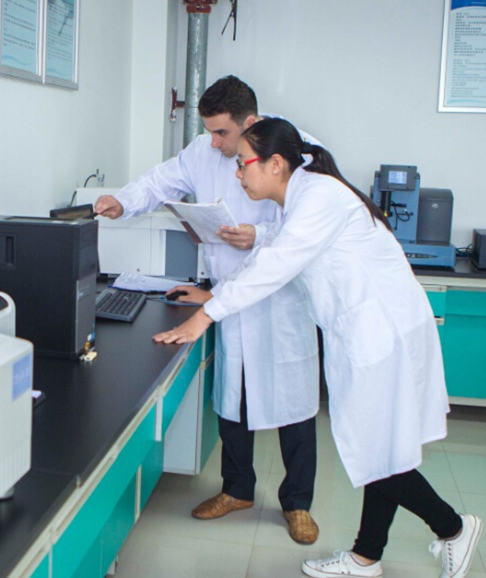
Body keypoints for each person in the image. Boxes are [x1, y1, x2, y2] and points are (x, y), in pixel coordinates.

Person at [153, 117, 482, 578]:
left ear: (275, 163)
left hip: (380, 335)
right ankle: (366, 557)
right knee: (380, 449)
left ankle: (454, 528)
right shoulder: (307, 195)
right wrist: (222, 285)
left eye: (243, 163)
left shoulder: (318, 197)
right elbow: (282, 246)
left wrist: (206, 314)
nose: (237, 172)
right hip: (372, 332)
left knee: (379, 454)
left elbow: (275, 265)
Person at [94, 76, 322, 544]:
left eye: (222, 133)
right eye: (210, 132)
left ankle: (297, 503)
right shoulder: (203, 151)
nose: (214, 142)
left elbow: (308, 227)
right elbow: (159, 181)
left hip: (281, 302)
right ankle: (237, 489)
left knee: (294, 405)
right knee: (233, 397)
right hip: (226, 296)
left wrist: (258, 235)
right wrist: (123, 201)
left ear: (250, 122)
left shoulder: (295, 149)